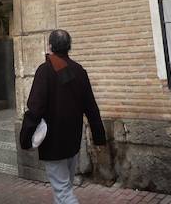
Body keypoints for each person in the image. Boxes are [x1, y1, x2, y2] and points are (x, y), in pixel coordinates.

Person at [19, 30, 106, 204]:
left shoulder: (45, 71)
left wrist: (25, 138)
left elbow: (35, 108)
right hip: (73, 140)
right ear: (69, 47)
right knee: (65, 188)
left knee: (64, 192)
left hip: (54, 142)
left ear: (50, 46)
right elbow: (91, 107)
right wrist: (99, 136)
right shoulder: (79, 71)